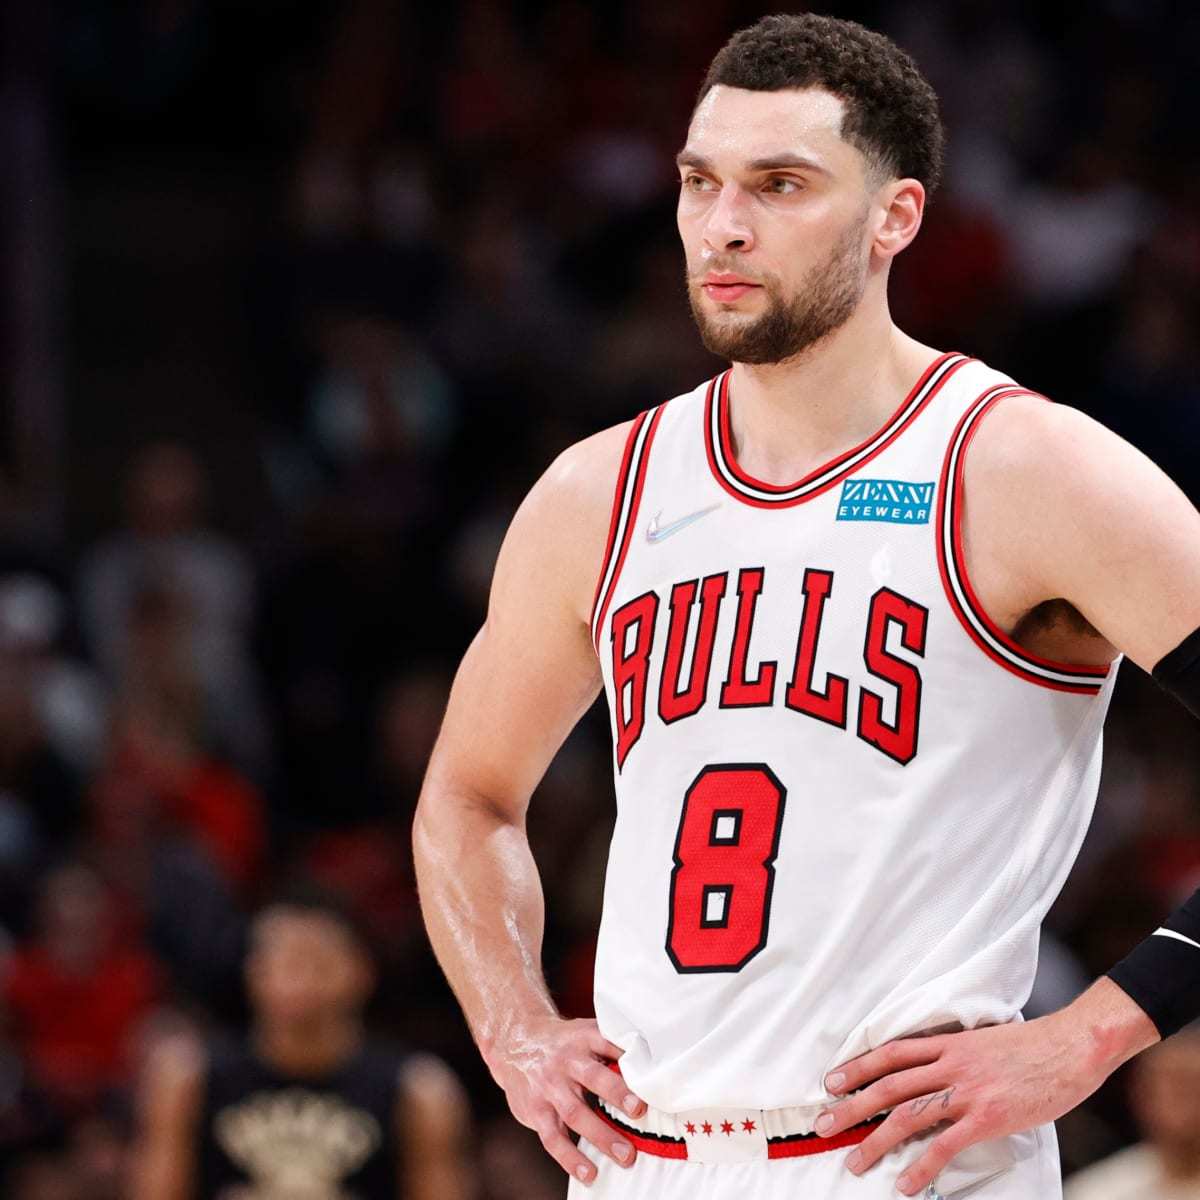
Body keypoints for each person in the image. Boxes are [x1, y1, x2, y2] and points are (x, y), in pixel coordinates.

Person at [413, 12, 1199, 1199]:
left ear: (897, 216)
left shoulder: (1028, 469)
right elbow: (468, 796)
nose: (723, 225)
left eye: (780, 185)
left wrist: (1089, 1036)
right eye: (701, 182)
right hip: (644, 1163)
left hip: (912, 1162)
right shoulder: (597, 493)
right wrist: (512, 1026)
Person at [131, 888, 471, 1200]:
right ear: (253, 972)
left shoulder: (418, 1090)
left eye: (316, 962)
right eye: (284, 962)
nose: (299, 979)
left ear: (361, 971)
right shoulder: (188, 1077)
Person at [1064, 1031, 1200, 1199]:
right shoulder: (1097, 1192)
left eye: (1190, 1087)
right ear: (1141, 1094)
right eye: (1169, 1087)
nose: (1179, 1101)